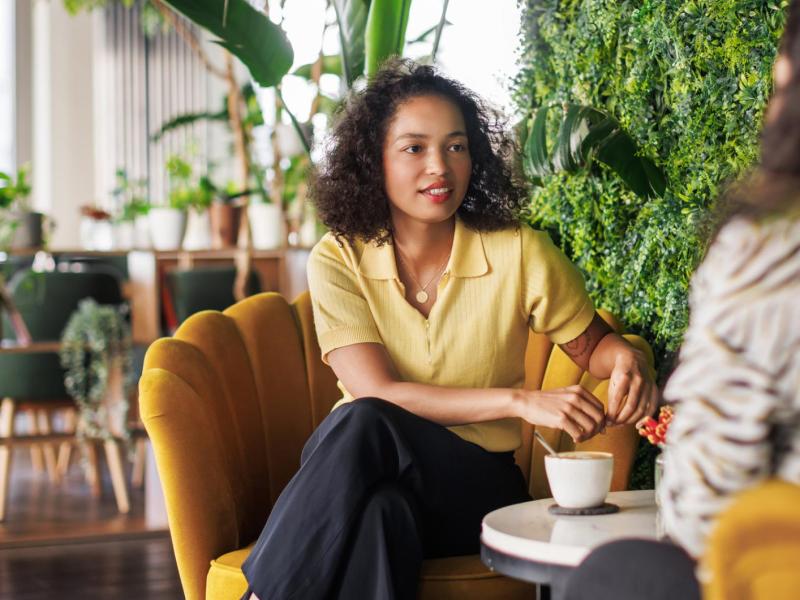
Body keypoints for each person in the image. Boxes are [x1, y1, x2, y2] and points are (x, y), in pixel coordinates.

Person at [240, 58, 657, 600]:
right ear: (374, 161)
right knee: (381, 512)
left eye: (456, 146)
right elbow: (378, 391)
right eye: (414, 148)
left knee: (365, 423)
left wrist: (628, 361)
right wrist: (520, 401)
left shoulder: (519, 249)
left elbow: (593, 347)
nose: (439, 166)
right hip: (362, 472)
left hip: (473, 487)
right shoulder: (338, 257)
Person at [561, 2, 800, 598]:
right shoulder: (343, 263)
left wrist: (625, 361)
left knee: (612, 573)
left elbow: (703, 502)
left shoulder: (768, 250)